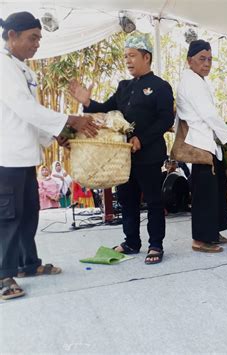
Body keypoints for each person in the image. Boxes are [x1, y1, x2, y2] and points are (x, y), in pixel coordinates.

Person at [0, 11, 98, 300]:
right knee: (8, 218)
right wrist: (69, 120)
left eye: (39, 38)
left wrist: (58, 136)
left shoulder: (23, 69)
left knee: (29, 215)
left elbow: (32, 119)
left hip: (25, 156)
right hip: (6, 159)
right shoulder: (3, 66)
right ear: (12, 36)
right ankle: (4, 276)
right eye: (32, 38)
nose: (37, 44)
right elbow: (24, 109)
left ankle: (27, 264)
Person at [69, 32, 174, 264]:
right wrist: (87, 102)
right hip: (122, 157)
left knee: (154, 200)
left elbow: (166, 120)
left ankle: (155, 244)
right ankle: (131, 242)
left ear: (146, 57)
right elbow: (106, 109)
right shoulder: (124, 86)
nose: (127, 60)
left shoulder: (160, 86)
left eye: (132, 55)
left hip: (149, 153)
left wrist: (142, 139)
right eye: (125, 56)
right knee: (127, 199)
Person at [176, 40, 227, 252]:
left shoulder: (197, 79)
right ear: (189, 61)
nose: (206, 64)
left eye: (209, 59)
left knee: (215, 189)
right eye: (201, 59)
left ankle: (213, 232)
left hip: (209, 143)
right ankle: (200, 239)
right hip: (200, 144)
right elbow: (208, 114)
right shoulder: (192, 81)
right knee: (204, 193)